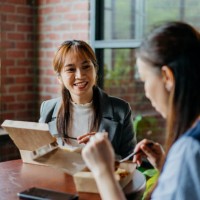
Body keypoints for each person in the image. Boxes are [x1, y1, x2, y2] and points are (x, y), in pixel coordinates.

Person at [82, 21, 200, 200]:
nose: (145, 92)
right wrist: (165, 165)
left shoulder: (189, 150)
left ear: (167, 77)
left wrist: (103, 171)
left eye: (145, 80)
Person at [39, 40, 136, 158]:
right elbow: (41, 155)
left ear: (95, 70)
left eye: (86, 67)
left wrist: (104, 151)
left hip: (100, 176)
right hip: (58, 176)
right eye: (71, 69)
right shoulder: (48, 108)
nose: (80, 75)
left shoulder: (120, 110)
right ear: (59, 77)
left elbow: (130, 161)